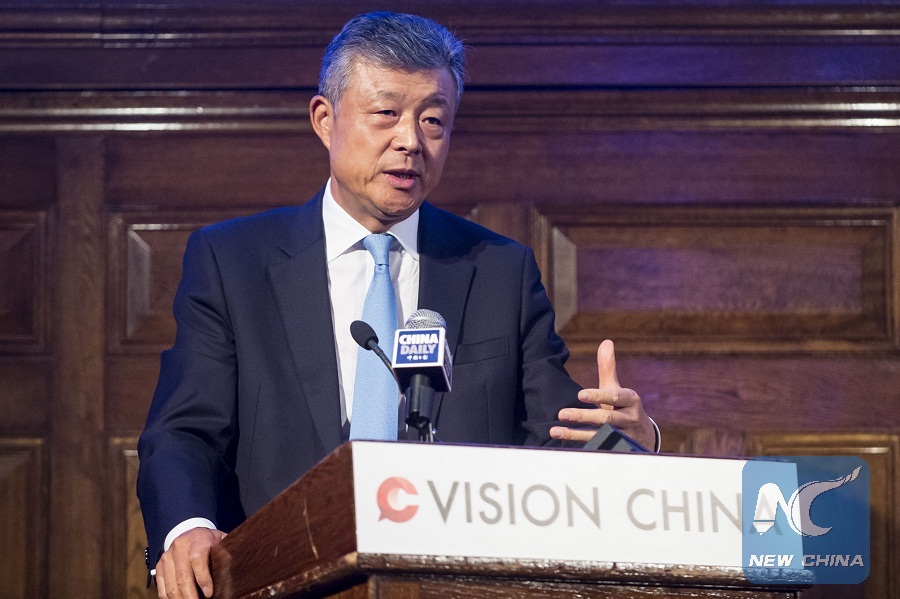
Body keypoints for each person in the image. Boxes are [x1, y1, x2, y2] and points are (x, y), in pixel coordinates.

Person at [137, 11, 658, 599]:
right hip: (280, 579)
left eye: (433, 120)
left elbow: (560, 440)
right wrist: (187, 526)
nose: (411, 140)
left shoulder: (498, 270)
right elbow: (184, 430)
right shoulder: (232, 261)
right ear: (325, 119)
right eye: (386, 113)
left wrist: (631, 440)